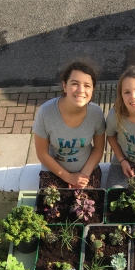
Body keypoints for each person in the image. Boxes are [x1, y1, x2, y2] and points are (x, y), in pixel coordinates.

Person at [33, 60, 105, 189]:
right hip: (53, 172)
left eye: (87, 85)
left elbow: (99, 149)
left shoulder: (96, 113)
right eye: (75, 84)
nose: (81, 90)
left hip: (87, 171)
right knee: (51, 208)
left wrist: (83, 176)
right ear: (64, 86)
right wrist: (69, 177)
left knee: (89, 208)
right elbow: (42, 153)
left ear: (93, 89)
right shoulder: (45, 112)